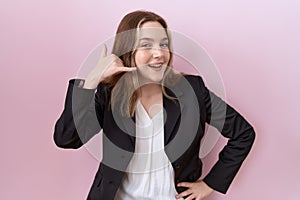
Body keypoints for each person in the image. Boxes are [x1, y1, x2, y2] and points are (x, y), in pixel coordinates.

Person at [54, 10, 256, 200]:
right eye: (146, 45)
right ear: (127, 50)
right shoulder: (109, 94)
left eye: (164, 44)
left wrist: (210, 184)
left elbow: (243, 133)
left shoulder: (192, 90)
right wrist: (91, 82)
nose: (159, 53)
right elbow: (66, 138)